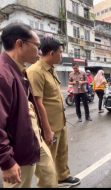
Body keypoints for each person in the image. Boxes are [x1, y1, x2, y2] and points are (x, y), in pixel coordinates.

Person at [0, 23, 57, 188]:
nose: (39, 52)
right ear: (19, 44)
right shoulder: (3, 74)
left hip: (33, 139)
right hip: (17, 149)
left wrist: (44, 131)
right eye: (37, 46)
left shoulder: (19, 70)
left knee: (49, 177)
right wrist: (6, 161)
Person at [26, 37, 81, 187]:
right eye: (60, 53)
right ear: (51, 53)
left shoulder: (51, 69)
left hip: (60, 121)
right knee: (47, 162)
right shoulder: (35, 71)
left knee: (62, 152)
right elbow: (38, 103)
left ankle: (63, 176)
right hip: (48, 125)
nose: (62, 56)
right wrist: (47, 130)